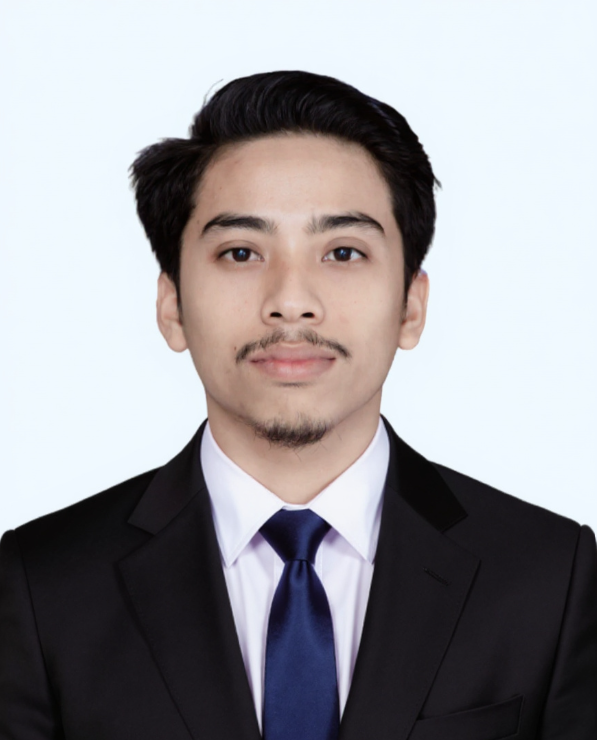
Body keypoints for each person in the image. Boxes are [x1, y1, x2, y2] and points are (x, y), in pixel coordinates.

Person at [0, 70, 595, 740]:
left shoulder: (549, 577)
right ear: (172, 306)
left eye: (342, 251)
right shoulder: (42, 586)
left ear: (410, 305)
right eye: (240, 252)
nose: (290, 301)